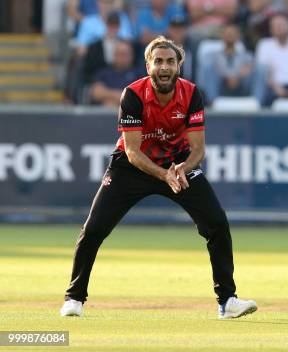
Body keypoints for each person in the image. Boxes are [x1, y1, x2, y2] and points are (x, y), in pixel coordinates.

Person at [60, 36, 257, 320]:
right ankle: (74, 299)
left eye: (170, 61)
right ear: (148, 65)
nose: (164, 67)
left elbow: (199, 149)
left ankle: (227, 301)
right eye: (158, 61)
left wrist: (182, 168)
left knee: (216, 223)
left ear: (179, 66)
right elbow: (132, 151)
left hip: (178, 166)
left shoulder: (191, 94)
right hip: (132, 168)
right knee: (93, 230)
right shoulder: (133, 94)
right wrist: (165, 175)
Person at [201, 24, 254, 103]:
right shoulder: (213, 56)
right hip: (221, 86)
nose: (230, 35)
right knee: (208, 68)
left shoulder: (247, 56)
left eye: (233, 33)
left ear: (238, 36)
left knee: (258, 68)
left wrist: (248, 69)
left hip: (240, 86)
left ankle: (257, 104)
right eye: (227, 33)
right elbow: (210, 70)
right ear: (221, 36)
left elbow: (251, 68)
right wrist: (231, 76)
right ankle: (211, 102)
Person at [89, 40, 142, 107]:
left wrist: (112, 101)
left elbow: (137, 98)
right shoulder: (103, 72)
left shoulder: (139, 74)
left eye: (123, 54)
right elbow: (96, 93)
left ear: (131, 56)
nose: (120, 57)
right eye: (117, 54)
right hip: (103, 114)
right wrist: (119, 96)